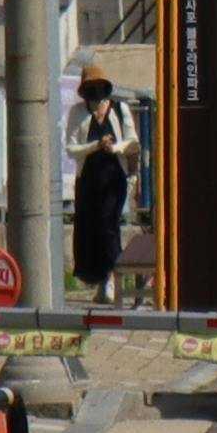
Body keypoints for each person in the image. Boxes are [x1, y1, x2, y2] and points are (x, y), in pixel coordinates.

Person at [70, 78, 139, 301]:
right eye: (91, 98)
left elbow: (132, 142)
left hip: (113, 179)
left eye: (98, 98)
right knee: (90, 230)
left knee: (108, 226)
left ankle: (113, 278)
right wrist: (96, 145)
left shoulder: (120, 110)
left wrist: (114, 147)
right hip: (88, 181)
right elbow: (71, 149)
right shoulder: (78, 113)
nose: (96, 104)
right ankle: (100, 282)